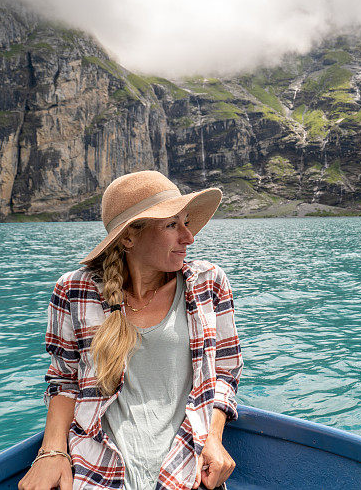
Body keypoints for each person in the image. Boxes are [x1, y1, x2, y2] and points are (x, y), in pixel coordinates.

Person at [18, 170, 243, 490]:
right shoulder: (74, 290)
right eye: (171, 225)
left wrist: (214, 439)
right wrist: (52, 451)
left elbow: (225, 371)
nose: (188, 237)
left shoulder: (209, 283)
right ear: (128, 237)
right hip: (99, 473)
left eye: (186, 222)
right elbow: (64, 379)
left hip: (186, 472)